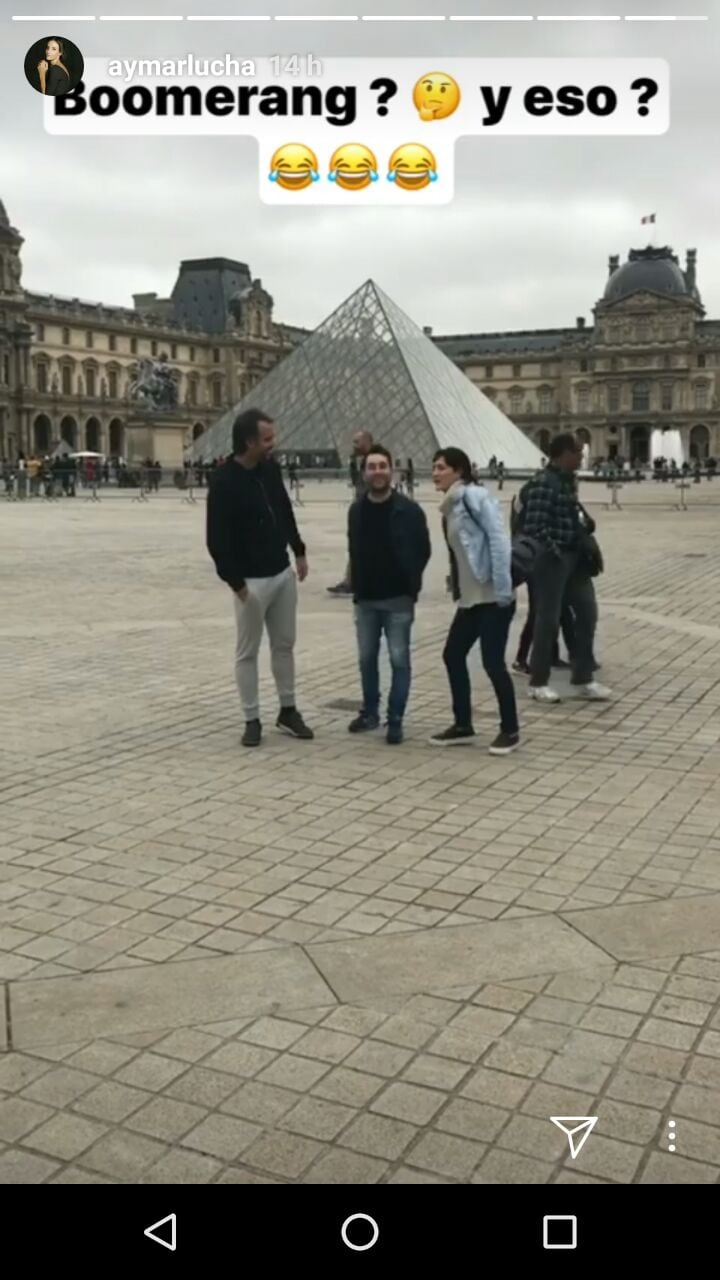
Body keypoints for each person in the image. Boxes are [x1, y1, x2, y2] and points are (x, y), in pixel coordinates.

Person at [206, 407, 314, 749]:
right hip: (249, 582)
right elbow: (216, 539)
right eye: (267, 439)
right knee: (247, 652)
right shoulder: (223, 481)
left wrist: (298, 550)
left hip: (281, 572)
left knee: (284, 646)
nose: (273, 444)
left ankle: (288, 710)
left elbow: (283, 509)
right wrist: (235, 583)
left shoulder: (269, 469)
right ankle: (251, 718)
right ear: (249, 441)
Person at [430, 447, 519, 754]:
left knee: (492, 663)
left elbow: (498, 540)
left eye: (441, 467)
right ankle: (463, 725)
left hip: (493, 596)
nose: (435, 472)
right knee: (453, 655)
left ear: (459, 470)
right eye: (434, 467)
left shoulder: (474, 497)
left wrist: (504, 590)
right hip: (471, 598)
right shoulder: (450, 505)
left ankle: (510, 729)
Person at [347, 445, 431, 745]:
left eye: (383, 465)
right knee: (366, 659)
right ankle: (370, 712)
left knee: (399, 660)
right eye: (372, 466)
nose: (378, 471)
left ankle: (395, 718)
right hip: (366, 599)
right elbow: (353, 550)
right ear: (364, 472)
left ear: (391, 469)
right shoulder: (356, 509)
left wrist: (411, 587)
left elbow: (423, 550)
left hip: (398, 599)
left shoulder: (409, 510)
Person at [521, 432, 610, 703]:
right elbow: (533, 526)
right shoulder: (542, 483)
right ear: (564, 454)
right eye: (578, 452)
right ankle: (538, 682)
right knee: (547, 620)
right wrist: (556, 550)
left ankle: (583, 678)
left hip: (577, 560)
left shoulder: (568, 480)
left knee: (587, 614)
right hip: (553, 560)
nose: (582, 457)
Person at [327, 430, 374, 596]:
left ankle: (354, 581)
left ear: (367, 442)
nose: (353, 445)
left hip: (371, 508)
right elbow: (356, 483)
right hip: (360, 507)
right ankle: (351, 581)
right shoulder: (358, 461)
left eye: (357, 442)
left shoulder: (375, 461)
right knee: (356, 545)